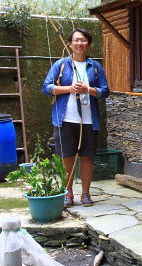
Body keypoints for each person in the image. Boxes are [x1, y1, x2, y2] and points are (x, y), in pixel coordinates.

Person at [42, 28, 109, 208]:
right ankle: (68, 193)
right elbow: (47, 87)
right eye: (76, 40)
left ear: (89, 44)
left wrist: (88, 90)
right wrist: (69, 89)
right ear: (70, 44)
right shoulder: (61, 65)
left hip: (88, 120)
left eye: (83, 40)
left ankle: (85, 193)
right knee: (67, 157)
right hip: (64, 119)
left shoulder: (95, 67)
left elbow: (105, 91)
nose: (80, 43)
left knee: (87, 157)